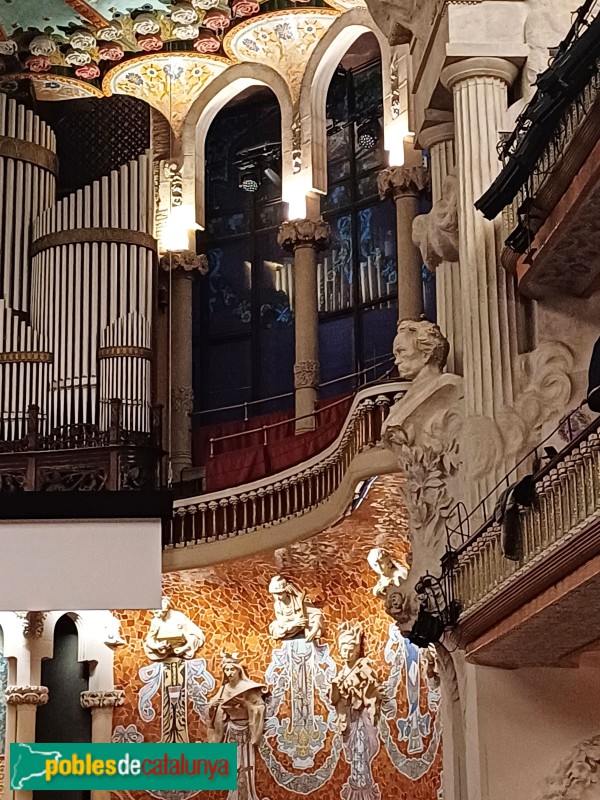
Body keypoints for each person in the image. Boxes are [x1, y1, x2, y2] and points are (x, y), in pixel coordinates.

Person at [207, 652, 267, 746]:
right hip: (230, 729)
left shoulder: (246, 687)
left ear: (238, 670)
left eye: (232, 669)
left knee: (243, 757)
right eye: (226, 670)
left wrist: (245, 704)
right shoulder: (224, 688)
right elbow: (213, 704)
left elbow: (260, 707)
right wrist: (212, 706)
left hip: (245, 730)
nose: (229, 673)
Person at [143, 597, 205, 661]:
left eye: (160, 612)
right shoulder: (156, 621)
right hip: (164, 651)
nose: (157, 615)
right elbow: (149, 639)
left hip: (183, 648)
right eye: (155, 612)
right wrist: (157, 646)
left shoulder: (178, 616)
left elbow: (197, 635)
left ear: (166, 610)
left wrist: (184, 648)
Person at [268, 575, 323, 642]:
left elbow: (317, 613)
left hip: (302, 626)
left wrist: (313, 631)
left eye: (280, 593)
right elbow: (281, 623)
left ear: (286, 591)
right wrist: (294, 623)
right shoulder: (277, 605)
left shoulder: (297, 601)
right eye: (274, 594)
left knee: (314, 624)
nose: (278, 597)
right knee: (273, 627)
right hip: (289, 628)